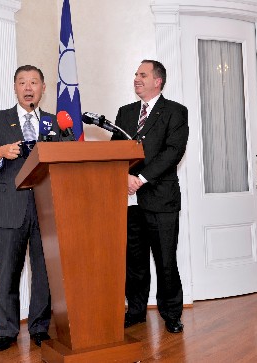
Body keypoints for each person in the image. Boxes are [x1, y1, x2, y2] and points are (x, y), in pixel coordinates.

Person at [0, 65, 60, 351]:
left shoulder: (53, 123)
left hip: (46, 209)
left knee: (44, 274)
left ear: (43, 89)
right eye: (22, 82)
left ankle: (39, 328)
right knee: (9, 274)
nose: (28, 87)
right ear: (15, 88)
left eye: (34, 82)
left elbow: (65, 157)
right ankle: (7, 332)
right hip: (9, 207)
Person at [111, 60, 189, 333]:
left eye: (142, 75)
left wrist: (140, 179)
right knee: (134, 261)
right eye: (135, 74)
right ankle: (135, 311)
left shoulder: (175, 112)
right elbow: (115, 151)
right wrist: (122, 177)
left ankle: (171, 314)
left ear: (158, 81)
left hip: (161, 199)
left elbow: (172, 152)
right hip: (130, 201)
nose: (136, 78)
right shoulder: (125, 113)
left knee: (165, 259)